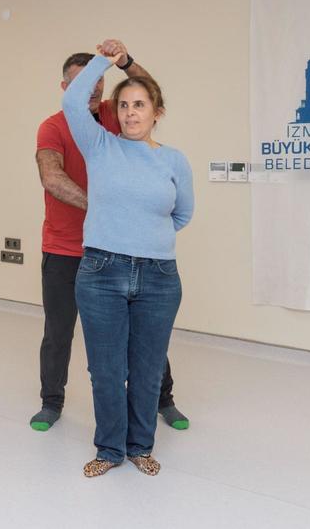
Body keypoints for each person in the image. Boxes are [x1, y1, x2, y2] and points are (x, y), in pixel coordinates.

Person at [31, 40, 189, 433]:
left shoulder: (114, 116)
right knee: (58, 331)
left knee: (145, 335)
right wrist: (103, 209)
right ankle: (51, 402)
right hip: (66, 247)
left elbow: (149, 93)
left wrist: (124, 61)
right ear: (67, 87)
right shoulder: (54, 126)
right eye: (84, 83)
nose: (94, 90)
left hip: (119, 251)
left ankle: (163, 399)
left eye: (99, 83)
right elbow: (51, 177)